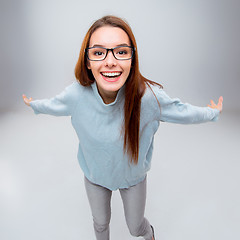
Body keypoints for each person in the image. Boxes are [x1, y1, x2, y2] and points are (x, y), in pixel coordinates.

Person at [22, 15, 223, 240]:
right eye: (99, 53)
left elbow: (183, 112)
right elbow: (54, 105)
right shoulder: (76, 95)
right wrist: (35, 105)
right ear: (87, 61)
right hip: (95, 177)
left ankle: (150, 235)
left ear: (132, 59)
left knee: (135, 228)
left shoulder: (147, 98)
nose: (110, 61)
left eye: (121, 52)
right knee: (100, 224)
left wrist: (212, 112)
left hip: (132, 179)